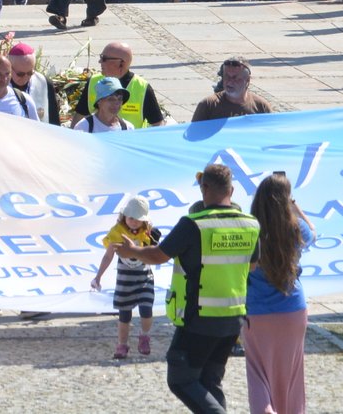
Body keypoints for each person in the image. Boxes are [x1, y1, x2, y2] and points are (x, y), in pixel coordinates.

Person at [114, 163, 260, 414]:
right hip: (233, 318)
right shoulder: (250, 224)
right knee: (210, 380)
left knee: (180, 379)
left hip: (199, 317)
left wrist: (132, 251)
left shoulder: (194, 224)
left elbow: (159, 255)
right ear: (232, 190)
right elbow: (253, 266)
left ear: (204, 188)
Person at [243, 172, 314, 414]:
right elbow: (313, 233)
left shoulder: (249, 230)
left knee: (258, 373)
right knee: (292, 375)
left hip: (256, 311)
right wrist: (296, 208)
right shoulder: (296, 227)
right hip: (293, 309)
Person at [92, 196, 160, 361]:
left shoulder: (149, 232)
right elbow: (108, 256)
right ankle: (122, 344)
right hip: (125, 280)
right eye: (131, 218)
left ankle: (144, 336)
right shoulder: (117, 233)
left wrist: (154, 241)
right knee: (124, 315)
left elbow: (156, 254)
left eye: (138, 218)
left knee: (146, 310)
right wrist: (98, 276)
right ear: (124, 216)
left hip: (144, 278)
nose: (134, 222)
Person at [190, 55, 275, 121]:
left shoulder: (261, 107)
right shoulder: (208, 105)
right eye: (227, 76)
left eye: (235, 78)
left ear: (247, 80)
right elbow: (194, 134)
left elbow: (271, 133)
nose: (230, 82)